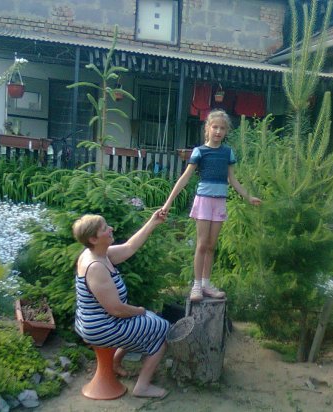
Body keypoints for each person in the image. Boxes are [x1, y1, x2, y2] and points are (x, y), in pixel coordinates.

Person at [161, 109, 261, 302]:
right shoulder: (200, 151)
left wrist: (249, 197)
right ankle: (197, 285)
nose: (218, 131)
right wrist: (168, 203)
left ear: (226, 131)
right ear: (207, 128)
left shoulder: (228, 153)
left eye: (222, 128)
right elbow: (185, 178)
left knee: (211, 246)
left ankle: (207, 284)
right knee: (201, 244)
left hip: (219, 202)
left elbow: (233, 180)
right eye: (215, 127)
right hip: (204, 202)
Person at [73, 210, 169, 399]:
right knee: (162, 329)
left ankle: (115, 363)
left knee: (146, 322)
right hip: (101, 327)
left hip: (93, 321)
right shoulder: (96, 267)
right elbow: (116, 309)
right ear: (93, 239)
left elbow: (130, 247)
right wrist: (140, 310)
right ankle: (142, 387)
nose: (111, 229)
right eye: (104, 229)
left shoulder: (99, 254)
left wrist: (153, 222)